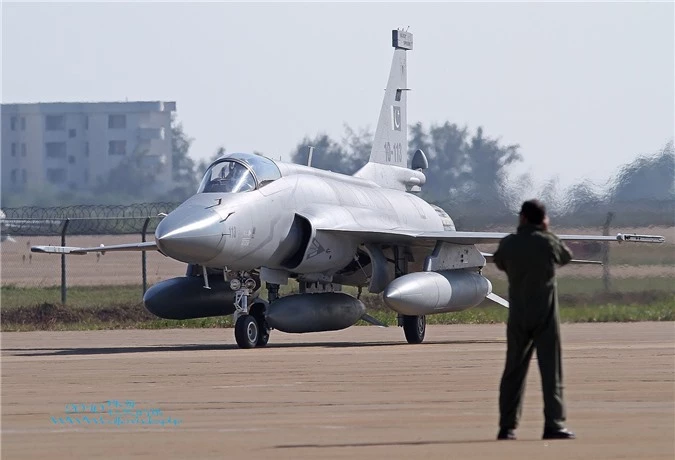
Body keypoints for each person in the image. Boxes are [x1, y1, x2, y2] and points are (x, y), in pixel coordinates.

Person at [493, 199, 576, 441]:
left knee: (513, 372)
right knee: (551, 372)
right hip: (545, 315)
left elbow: (499, 261)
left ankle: (506, 427)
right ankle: (554, 424)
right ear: (543, 219)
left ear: (523, 218)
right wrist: (546, 232)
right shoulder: (547, 241)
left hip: (518, 315)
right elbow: (565, 256)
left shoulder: (509, 243)